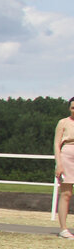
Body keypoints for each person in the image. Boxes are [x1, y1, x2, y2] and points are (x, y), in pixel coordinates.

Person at [55, 98, 74, 239]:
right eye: (73, 108)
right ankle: (63, 229)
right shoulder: (63, 122)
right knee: (66, 194)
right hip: (67, 155)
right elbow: (56, 144)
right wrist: (59, 164)